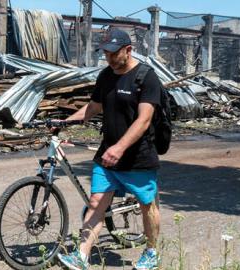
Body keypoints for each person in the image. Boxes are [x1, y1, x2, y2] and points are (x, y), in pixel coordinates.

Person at [57, 28, 162, 270]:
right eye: (106, 53)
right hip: (107, 154)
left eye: (114, 53)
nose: (110, 58)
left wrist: (120, 147)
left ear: (128, 50)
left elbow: (144, 120)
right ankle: (81, 256)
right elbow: (93, 107)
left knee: (147, 205)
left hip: (138, 156)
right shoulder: (106, 76)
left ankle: (151, 252)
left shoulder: (146, 77)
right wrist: (64, 123)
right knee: (96, 203)